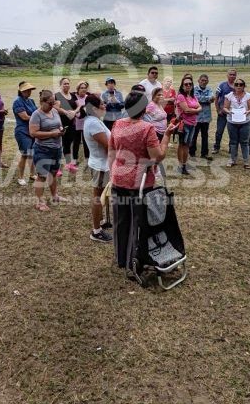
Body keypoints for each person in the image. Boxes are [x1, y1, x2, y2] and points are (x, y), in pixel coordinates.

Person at [108, 90, 178, 268]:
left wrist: (112, 173)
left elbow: (111, 151)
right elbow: (157, 157)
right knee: (139, 223)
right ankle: (135, 260)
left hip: (118, 178)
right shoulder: (147, 129)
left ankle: (121, 258)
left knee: (121, 221)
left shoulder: (117, 124)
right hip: (140, 183)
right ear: (144, 109)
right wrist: (167, 136)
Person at [29, 90, 69, 212]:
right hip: (43, 150)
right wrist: (52, 134)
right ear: (42, 102)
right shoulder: (36, 115)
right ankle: (39, 202)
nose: (52, 105)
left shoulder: (54, 111)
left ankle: (54, 196)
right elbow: (33, 133)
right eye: (50, 103)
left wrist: (61, 130)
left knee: (53, 173)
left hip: (57, 148)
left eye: (54, 102)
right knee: (42, 176)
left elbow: (58, 125)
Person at [83, 93, 113, 243]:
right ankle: (96, 231)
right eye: (101, 104)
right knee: (98, 197)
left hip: (101, 164)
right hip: (101, 166)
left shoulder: (95, 120)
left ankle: (101, 221)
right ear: (94, 108)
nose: (104, 105)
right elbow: (108, 146)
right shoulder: (93, 123)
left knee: (102, 195)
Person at [222, 79, 250, 168]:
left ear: (244, 86)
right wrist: (228, 112)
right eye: (236, 84)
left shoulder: (248, 96)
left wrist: (248, 111)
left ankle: (246, 162)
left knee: (244, 142)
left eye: (241, 84)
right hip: (232, 121)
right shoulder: (229, 96)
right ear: (234, 86)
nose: (238, 86)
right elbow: (225, 107)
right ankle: (232, 160)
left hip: (245, 122)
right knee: (233, 142)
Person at [12, 81, 38, 186]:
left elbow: (36, 112)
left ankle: (32, 174)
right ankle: (21, 177)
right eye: (26, 90)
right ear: (21, 91)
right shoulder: (17, 101)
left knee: (32, 153)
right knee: (25, 154)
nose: (29, 92)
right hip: (22, 131)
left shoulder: (31, 101)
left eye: (30, 90)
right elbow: (24, 117)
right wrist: (38, 118)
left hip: (31, 131)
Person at [175, 76, 201, 175]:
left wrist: (194, 110)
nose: (188, 85)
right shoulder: (181, 96)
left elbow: (200, 107)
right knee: (182, 145)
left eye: (190, 84)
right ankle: (180, 165)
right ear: (182, 86)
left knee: (187, 145)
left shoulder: (193, 96)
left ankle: (184, 164)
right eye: (186, 84)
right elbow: (186, 110)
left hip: (193, 124)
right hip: (184, 124)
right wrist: (196, 110)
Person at [54, 77, 76, 176]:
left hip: (71, 124)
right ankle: (57, 168)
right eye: (64, 83)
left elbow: (78, 106)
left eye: (68, 83)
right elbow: (55, 107)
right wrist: (65, 112)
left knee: (68, 144)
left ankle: (69, 164)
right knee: (59, 146)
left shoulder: (73, 95)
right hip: (60, 124)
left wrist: (75, 112)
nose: (66, 85)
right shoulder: (57, 95)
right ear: (61, 85)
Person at [213, 69, 237, 154]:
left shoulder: (238, 85)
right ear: (227, 75)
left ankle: (232, 149)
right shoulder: (222, 85)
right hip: (222, 114)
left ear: (236, 76)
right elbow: (216, 98)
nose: (232, 76)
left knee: (232, 132)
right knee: (219, 131)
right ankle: (216, 147)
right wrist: (218, 110)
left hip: (233, 114)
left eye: (234, 74)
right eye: (230, 74)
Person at [189, 73, 213, 161]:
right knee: (194, 135)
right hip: (196, 117)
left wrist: (206, 99)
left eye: (205, 81)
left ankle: (204, 153)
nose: (204, 82)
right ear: (198, 81)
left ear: (208, 81)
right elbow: (196, 99)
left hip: (206, 117)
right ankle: (192, 152)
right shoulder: (194, 89)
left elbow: (212, 98)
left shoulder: (209, 89)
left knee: (205, 135)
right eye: (202, 80)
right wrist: (207, 99)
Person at [70, 81, 90, 169]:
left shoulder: (88, 97)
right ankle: (74, 159)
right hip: (76, 123)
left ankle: (87, 159)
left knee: (86, 142)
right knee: (76, 142)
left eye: (85, 88)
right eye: (81, 88)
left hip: (86, 123)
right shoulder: (74, 97)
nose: (83, 89)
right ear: (78, 89)